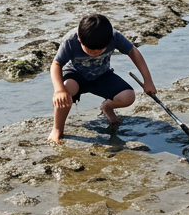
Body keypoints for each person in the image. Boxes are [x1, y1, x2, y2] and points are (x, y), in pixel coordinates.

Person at [48, 14, 156, 142]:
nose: (95, 53)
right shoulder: (71, 41)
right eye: (90, 49)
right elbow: (56, 64)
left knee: (128, 96)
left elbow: (132, 51)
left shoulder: (114, 36)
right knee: (66, 90)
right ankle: (57, 128)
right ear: (80, 39)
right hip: (75, 75)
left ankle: (107, 107)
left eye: (100, 50)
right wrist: (59, 90)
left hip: (102, 75)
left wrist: (148, 80)